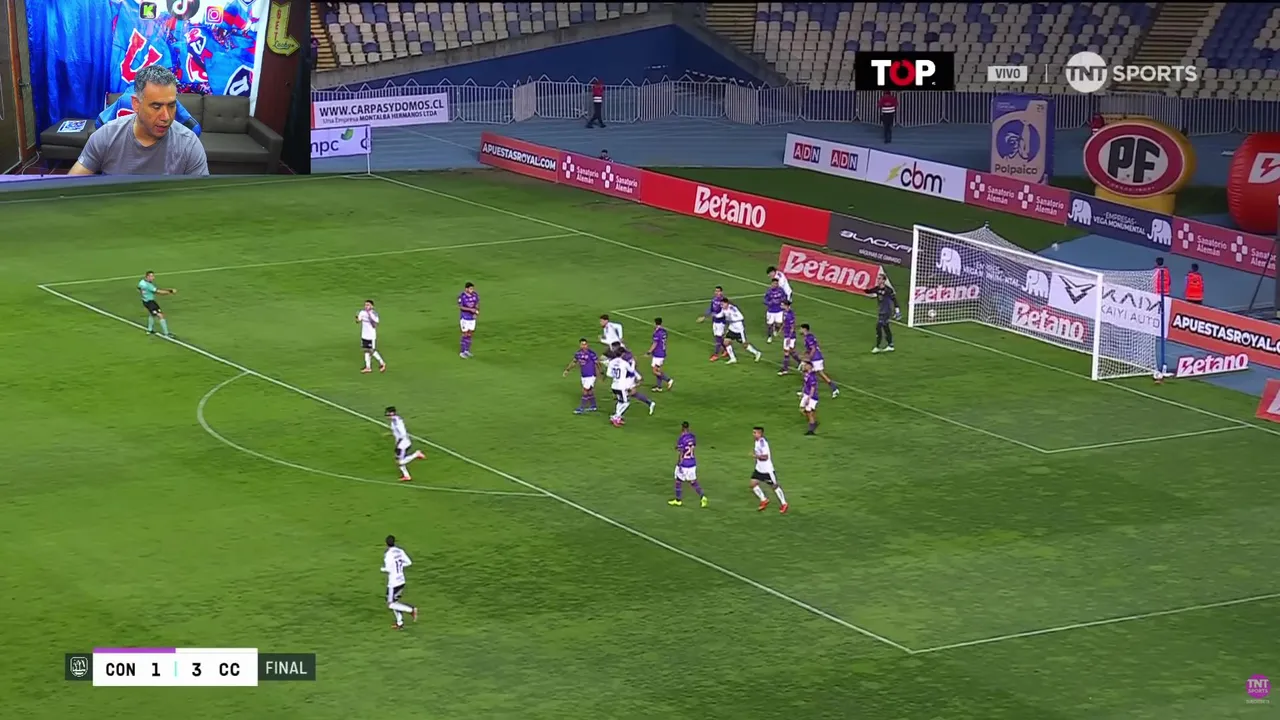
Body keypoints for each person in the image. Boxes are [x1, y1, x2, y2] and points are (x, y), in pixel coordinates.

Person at [70, 65, 208, 176]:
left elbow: (202, 197)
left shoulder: (189, 144)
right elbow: (70, 185)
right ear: (136, 104)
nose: (166, 117)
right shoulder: (106, 136)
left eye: (171, 106)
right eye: (156, 107)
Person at [381, 535, 418, 630]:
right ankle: (399, 623)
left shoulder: (388, 555)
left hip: (393, 583)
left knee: (390, 604)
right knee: (395, 602)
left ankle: (411, 610)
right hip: (401, 580)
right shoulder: (400, 551)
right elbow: (409, 562)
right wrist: (400, 566)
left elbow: (388, 569)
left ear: (386, 543)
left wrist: (383, 569)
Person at [749, 426, 788, 514]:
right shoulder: (757, 441)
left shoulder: (763, 443)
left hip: (767, 471)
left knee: (774, 486)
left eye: (755, 433)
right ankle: (764, 500)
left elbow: (765, 457)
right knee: (753, 484)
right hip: (759, 469)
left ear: (760, 433)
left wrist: (756, 456)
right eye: (753, 432)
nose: (753, 434)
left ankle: (784, 504)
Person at [669, 421, 707, 507]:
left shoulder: (682, 438)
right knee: (693, 481)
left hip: (684, 464)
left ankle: (678, 500)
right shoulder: (692, 437)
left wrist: (679, 463)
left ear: (682, 428)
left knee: (678, 481)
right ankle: (702, 496)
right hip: (692, 462)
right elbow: (691, 446)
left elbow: (681, 452)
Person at [386, 406, 426, 482]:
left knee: (400, 462)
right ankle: (407, 476)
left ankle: (416, 454)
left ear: (392, 413)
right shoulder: (394, 421)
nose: (386, 415)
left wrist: (398, 443)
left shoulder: (397, 421)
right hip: (401, 443)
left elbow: (403, 433)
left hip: (403, 444)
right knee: (398, 460)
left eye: (387, 413)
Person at [864, 274, 901, 353]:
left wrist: (897, 311)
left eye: (880, 279)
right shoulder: (877, 288)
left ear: (884, 280)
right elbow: (868, 291)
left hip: (887, 311)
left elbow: (894, 300)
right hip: (881, 311)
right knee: (886, 327)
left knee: (878, 327)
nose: (878, 280)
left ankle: (877, 346)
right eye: (878, 278)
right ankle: (890, 345)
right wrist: (866, 287)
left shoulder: (888, 290)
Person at [563, 338, 600, 414]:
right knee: (589, 391)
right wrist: (567, 370)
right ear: (580, 345)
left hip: (591, 375)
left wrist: (600, 372)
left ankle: (581, 408)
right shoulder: (578, 353)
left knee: (585, 391)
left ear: (587, 344)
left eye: (585, 344)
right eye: (582, 344)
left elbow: (597, 363)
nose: (584, 346)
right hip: (584, 375)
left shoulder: (591, 353)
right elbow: (574, 362)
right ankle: (593, 406)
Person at [138, 271, 176, 337]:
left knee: (152, 314)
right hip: (150, 302)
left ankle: (149, 330)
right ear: (147, 276)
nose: (153, 278)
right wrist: (170, 291)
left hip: (145, 301)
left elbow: (139, 289)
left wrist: (144, 295)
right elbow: (159, 292)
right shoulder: (148, 285)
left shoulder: (141, 282)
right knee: (160, 315)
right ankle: (166, 333)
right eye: (152, 276)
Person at [357, 300, 387, 373]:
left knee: (372, 350)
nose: (366, 306)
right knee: (366, 350)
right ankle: (368, 367)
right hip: (364, 335)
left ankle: (382, 363)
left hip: (371, 336)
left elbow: (375, 323)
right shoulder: (362, 312)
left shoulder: (374, 314)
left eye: (368, 305)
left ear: (372, 306)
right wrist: (357, 319)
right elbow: (358, 321)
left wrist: (369, 315)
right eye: (365, 305)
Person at [647, 317, 675, 392]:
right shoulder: (664, 331)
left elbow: (655, 343)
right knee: (658, 370)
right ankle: (659, 387)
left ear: (655, 323)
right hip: (662, 352)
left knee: (654, 371)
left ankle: (669, 380)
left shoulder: (657, 333)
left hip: (658, 354)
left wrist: (649, 351)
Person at [458, 282, 480, 358]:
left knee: (470, 334)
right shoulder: (462, 296)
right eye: (470, 289)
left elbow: (477, 304)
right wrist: (470, 309)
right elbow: (461, 307)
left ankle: (467, 350)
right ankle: (462, 352)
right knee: (465, 334)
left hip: (472, 318)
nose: (472, 290)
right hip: (464, 318)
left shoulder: (475, 295)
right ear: (466, 289)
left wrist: (476, 312)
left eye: (472, 288)